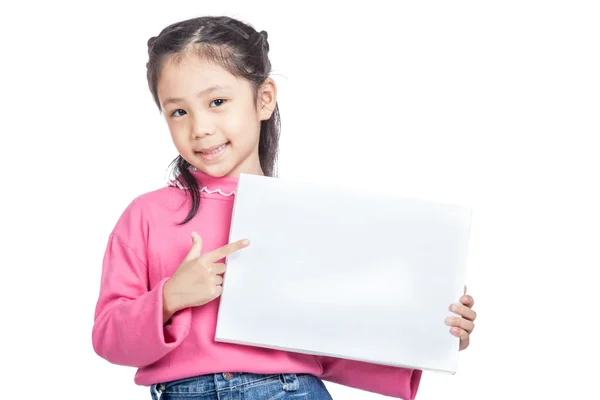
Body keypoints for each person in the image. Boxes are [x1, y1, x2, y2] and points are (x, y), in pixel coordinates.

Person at [91, 15, 477, 400]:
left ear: (264, 99)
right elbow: (108, 336)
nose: (200, 127)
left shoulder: (304, 216)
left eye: (218, 102)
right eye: (179, 111)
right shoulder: (145, 215)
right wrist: (170, 297)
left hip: (292, 391)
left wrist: (435, 335)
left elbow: (337, 332)